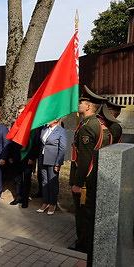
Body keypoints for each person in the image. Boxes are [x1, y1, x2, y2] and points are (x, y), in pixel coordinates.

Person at [69, 85, 113, 254]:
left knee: (83, 216)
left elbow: (85, 158)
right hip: (93, 176)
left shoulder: (88, 126)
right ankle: (87, 243)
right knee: (88, 214)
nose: (78, 104)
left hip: (85, 180)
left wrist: (78, 183)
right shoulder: (96, 123)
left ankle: (83, 246)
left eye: (81, 102)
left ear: (88, 106)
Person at [8, 104, 40, 208]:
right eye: (19, 112)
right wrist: (11, 156)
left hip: (28, 157)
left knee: (26, 179)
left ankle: (25, 200)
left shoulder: (33, 126)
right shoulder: (15, 124)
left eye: (22, 112)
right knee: (17, 178)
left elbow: (35, 143)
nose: (20, 114)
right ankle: (18, 197)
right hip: (17, 156)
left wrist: (32, 157)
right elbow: (11, 142)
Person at [36, 119, 67, 215]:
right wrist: (40, 160)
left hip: (53, 161)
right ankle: (45, 202)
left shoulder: (61, 131)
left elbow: (62, 148)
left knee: (52, 182)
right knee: (44, 181)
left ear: (56, 120)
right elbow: (41, 145)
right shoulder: (44, 129)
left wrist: (58, 163)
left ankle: (53, 203)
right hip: (43, 160)